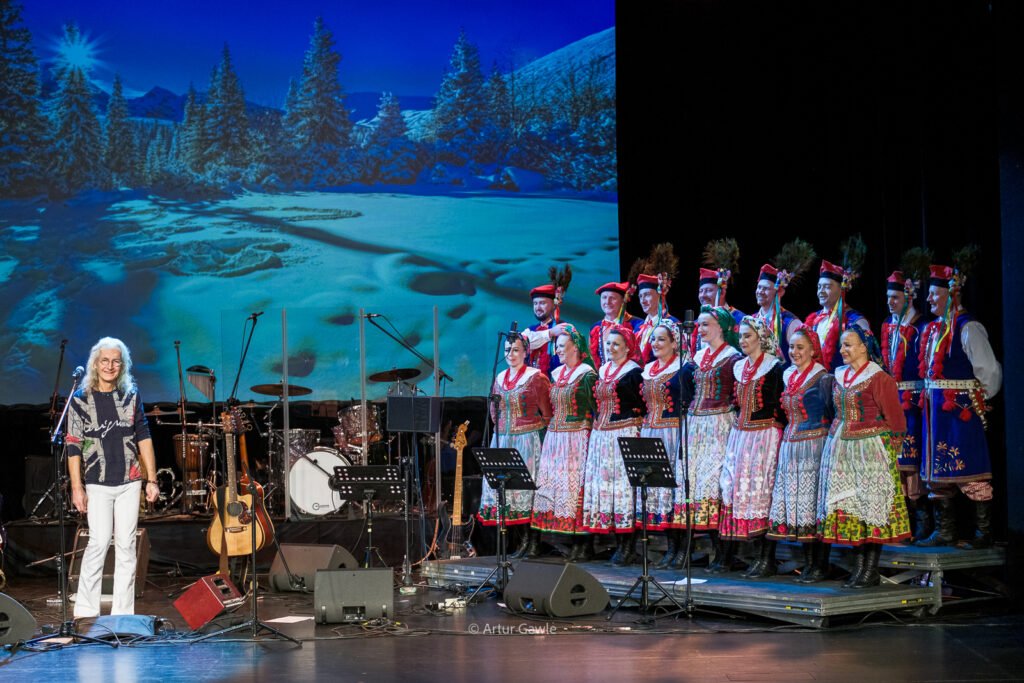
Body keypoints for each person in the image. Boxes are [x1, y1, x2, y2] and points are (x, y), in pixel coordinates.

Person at [67, 337, 159, 618]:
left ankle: (122, 613)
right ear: (96, 364)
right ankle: (86, 611)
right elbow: (73, 445)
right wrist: (77, 487)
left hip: (130, 480)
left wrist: (152, 480)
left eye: (116, 361)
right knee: (97, 543)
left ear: (123, 365)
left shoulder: (131, 395)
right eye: (105, 360)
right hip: (97, 481)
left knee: (126, 546)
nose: (110, 366)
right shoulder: (80, 399)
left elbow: (143, 436)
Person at [916, 263, 1002, 549]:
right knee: (938, 472)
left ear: (951, 294)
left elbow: (988, 371)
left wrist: (977, 400)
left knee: (969, 467)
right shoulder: (934, 329)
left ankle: (983, 532)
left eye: (934, 293)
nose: (928, 299)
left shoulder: (968, 327)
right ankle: (945, 530)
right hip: (935, 414)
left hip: (958, 411)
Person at [817, 327, 910, 589]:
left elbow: (896, 420)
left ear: (863, 347)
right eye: (842, 345)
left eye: (848, 345)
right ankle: (858, 567)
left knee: (871, 507)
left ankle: (870, 569)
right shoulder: (838, 376)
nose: (843, 350)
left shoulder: (879, 378)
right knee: (853, 509)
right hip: (842, 448)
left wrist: (892, 451)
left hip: (871, 450)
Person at [675, 306, 742, 573]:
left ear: (721, 327)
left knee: (716, 484)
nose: (700, 329)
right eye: (699, 325)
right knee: (697, 485)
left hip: (719, 425)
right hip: (696, 425)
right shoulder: (697, 357)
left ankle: (726, 554)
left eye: (705, 325)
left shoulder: (732, 357)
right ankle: (710, 550)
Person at [767, 326, 835, 582]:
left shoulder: (823, 378)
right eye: (792, 347)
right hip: (791, 445)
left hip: (814, 445)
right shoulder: (788, 375)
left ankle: (821, 564)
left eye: (800, 347)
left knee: (814, 504)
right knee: (799, 505)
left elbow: (831, 412)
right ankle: (809, 563)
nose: (794, 352)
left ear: (812, 350)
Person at [719, 316, 786, 578]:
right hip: (741, 436)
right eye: (741, 336)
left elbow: (781, 405)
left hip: (765, 435)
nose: (743, 340)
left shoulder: (774, 367)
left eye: (748, 336)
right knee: (743, 492)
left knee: (763, 493)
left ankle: (767, 558)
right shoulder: (739, 366)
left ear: (761, 338)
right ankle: (756, 554)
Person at [476, 333, 553, 558]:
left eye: (516, 349)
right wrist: (501, 430)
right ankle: (519, 540)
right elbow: (493, 412)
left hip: (527, 440)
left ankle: (533, 541)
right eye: (508, 350)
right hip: (503, 440)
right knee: (507, 490)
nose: (511, 354)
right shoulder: (500, 377)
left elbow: (547, 412)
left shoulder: (536, 377)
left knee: (527, 490)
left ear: (526, 352)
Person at [531, 326, 598, 561]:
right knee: (554, 488)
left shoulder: (587, 374)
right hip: (555, 437)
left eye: (562, 346)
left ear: (575, 348)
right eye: (556, 346)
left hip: (577, 436)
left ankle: (583, 543)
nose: (557, 350)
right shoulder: (556, 374)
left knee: (574, 487)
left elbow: (595, 408)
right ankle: (562, 540)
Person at [580, 325, 645, 565]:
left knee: (624, 488)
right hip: (602, 436)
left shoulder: (634, 372)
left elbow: (641, 404)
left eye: (616, 344)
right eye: (608, 343)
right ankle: (618, 542)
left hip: (624, 432)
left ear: (628, 348)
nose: (611, 348)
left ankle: (628, 546)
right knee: (607, 489)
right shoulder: (603, 370)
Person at [880, 270, 930, 542]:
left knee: (912, 461)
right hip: (892, 402)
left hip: (913, 401)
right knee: (895, 462)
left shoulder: (921, 326)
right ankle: (901, 521)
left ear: (908, 297)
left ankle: (921, 517)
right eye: (888, 298)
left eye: (895, 298)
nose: (890, 302)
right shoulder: (887, 325)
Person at [635, 321, 687, 568]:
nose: (655, 343)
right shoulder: (648, 369)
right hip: (650, 432)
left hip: (673, 432)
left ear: (675, 343)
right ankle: (670, 547)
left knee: (673, 490)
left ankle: (682, 549)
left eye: (662, 339)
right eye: (653, 339)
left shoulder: (682, 368)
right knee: (657, 489)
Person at [804, 259, 870, 372]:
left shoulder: (855, 321)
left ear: (841, 289)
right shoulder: (814, 320)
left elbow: (865, 359)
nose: (821, 291)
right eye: (819, 287)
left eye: (827, 287)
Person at [754, 263, 801, 365]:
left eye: (766, 288)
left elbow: (800, 359)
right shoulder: (752, 319)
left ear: (779, 292)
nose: (760, 291)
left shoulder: (790, 322)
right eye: (759, 287)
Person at [589, 281, 642, 369]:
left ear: (623, 301)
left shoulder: (637, 325)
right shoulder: (595, 328)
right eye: (604, 297)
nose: (607, 302)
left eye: (612, 298)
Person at [635, 273, 679, 364]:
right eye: (640, 296)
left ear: (660, 295)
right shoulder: (638, 327)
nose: (643, 301)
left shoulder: (672, 324)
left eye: (647, 295)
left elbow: (680, 358)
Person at [525, 284, 563, 376]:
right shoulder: (531, 330)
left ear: (554, 305)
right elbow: (523, 343)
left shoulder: (563, 328)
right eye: (535, 303)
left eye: (542, 303)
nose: (538, 308)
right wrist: (550, 333)